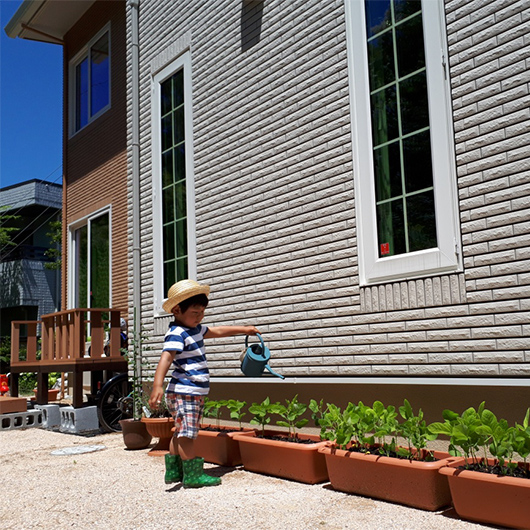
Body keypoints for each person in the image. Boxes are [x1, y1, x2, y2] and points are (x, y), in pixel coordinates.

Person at [148, 279, 259, 488]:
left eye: (202, 313)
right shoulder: (177, 333)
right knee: (188, 435)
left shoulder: (195, 329)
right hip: (185, 391)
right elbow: (166, 357)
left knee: (181, 432)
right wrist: (157, 385)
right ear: (176, 310)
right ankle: (192, 474)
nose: (199, 317)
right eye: (194, 313)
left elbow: (217, 331)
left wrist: (244, 329)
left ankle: (174, 470)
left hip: (190, 392)